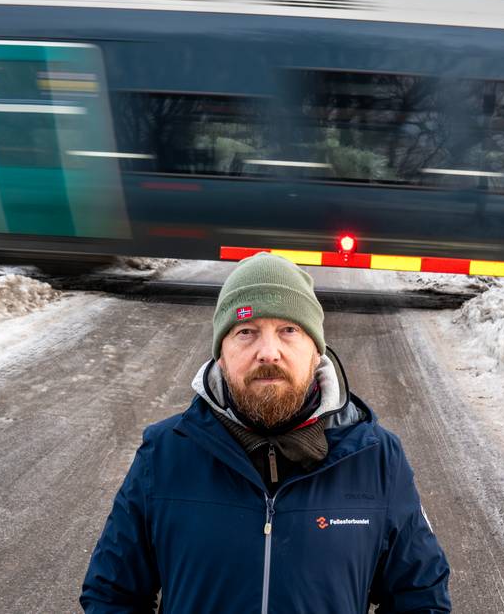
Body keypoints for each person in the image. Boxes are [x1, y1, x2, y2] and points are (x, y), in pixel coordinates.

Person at [81, 252, 451, 613]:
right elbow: (111, 594)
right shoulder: (163, 456)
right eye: (246, 331)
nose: (268, 352)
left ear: (315, 352)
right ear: (221, 355)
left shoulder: (377, 459)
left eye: (288, 330)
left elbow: (420, 596)